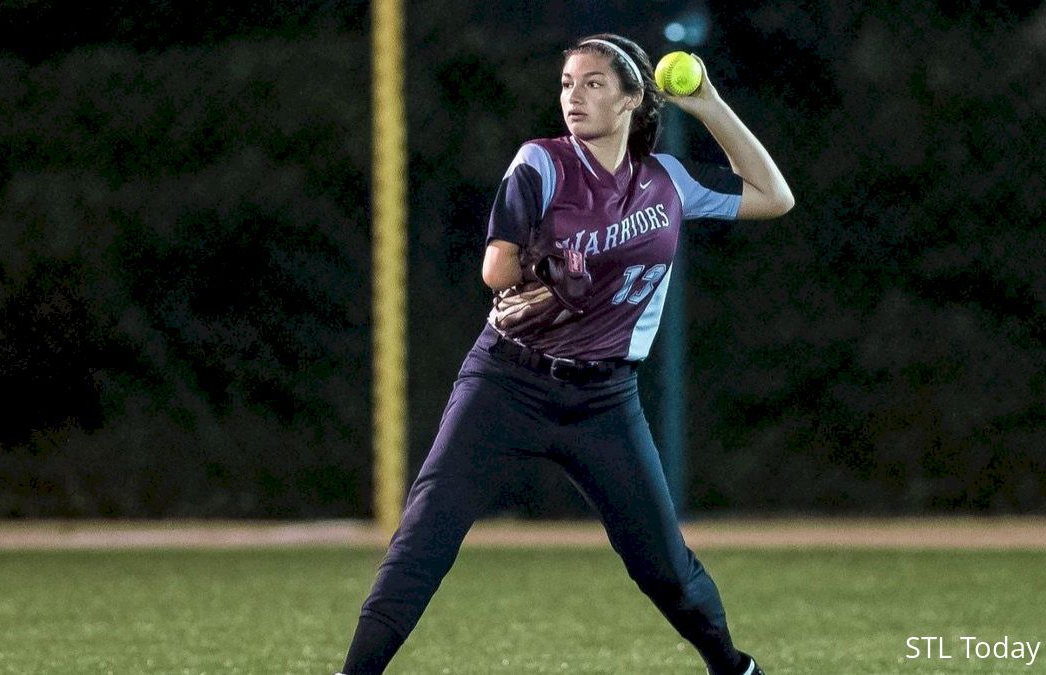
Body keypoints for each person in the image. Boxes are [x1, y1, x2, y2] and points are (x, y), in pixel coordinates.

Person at [337, 33, 794, 675]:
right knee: (424, 538)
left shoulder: (668, 182)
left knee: (666, 570)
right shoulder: (543, 163)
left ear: (632, 98)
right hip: (508, 380)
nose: (573, 96)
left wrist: (709, 103)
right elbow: (496, 269)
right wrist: (545, 263)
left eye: (593, 83)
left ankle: (735, 668)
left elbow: (776, 197)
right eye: (566, 83)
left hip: (605, 401)